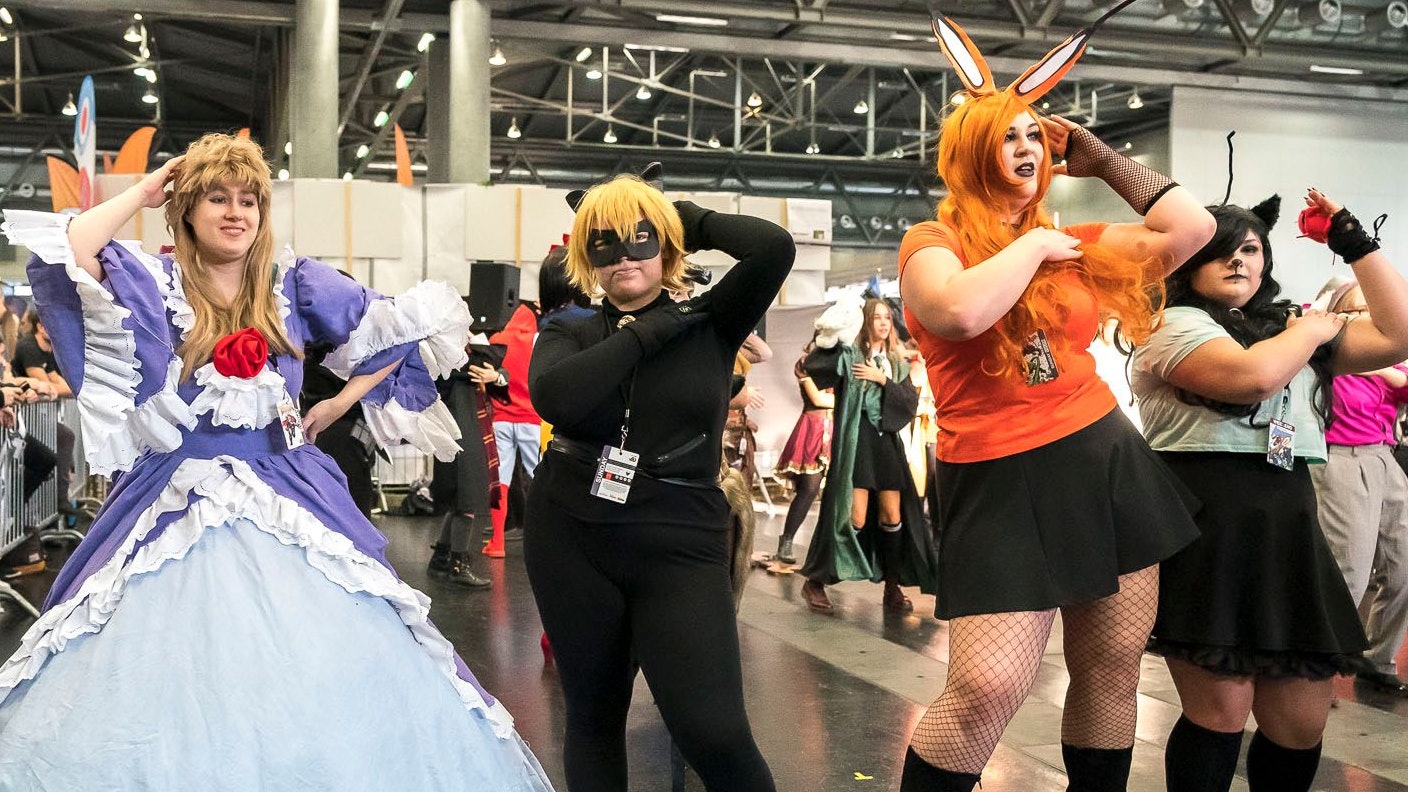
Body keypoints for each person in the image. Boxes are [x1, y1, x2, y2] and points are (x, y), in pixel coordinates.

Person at [0, 133, 553, 790]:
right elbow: (75, 250)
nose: (235, 213)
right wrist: (147, 192)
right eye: (217, 198)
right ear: (188, 208)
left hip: (287, 488)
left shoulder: (294, 282)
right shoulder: (154, 280)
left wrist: (339, 402)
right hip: (173, 492)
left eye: (249, 201)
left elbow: (409, 327)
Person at [894, 13, 1215, 790]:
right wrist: (1034, 244)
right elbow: (960, 313)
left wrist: (1101, 160)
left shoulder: (1077, 240)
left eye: (1036, 137)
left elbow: (1192, 227)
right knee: (984, 691)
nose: (1029, 149)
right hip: (998, 475)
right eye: (1009, 137)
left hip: (1101, 459)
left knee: (1110, 669)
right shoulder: (932, 244)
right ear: (972, 150)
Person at [526, 169, 793, 791]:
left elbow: (773, 246)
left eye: (640, 240)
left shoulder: (716, 320)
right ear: (583, 254)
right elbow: (555, 396)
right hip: (572, 534)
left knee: (715, 730)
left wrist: (676, 216)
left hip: (680, 543)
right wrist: (651, 330)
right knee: (593, 718)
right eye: (604, 241)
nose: (623, 256)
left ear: (667, 248)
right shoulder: (571, 327)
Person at [1132, 191, 1408, 792]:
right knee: (1218, 718)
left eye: (1252, 249)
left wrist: (1354, 242)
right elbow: (1251, 379)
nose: (1240, 262)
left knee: (1299, 727)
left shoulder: (1291, 327)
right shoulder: (1171, 323)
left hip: (1289, 530)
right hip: (1207, 531)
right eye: (1222, 251)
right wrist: (1313, 331)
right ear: (1186, 262)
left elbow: (1399, 334)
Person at [798, 298, 933, 613]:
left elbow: (907, 403)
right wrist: (825, 341)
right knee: (853, 516)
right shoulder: (851, 355)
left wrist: (881, 379)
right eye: (877, 317)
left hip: (886, 442)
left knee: (892, 516)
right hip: (857, 440)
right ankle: (817, 580)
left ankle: (892, 585)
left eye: (888, 317)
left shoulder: (896, 363)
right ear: (865, 322)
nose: (884, 323)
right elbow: (818, 366)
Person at [1307, 277, 1408, 697]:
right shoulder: (1325, 355)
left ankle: (1377, 659)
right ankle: (1310, 673)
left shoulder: (1392, 358)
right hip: (1340, 459)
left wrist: (1384, 365)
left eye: (1376, 312)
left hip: (1384, 458)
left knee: (1404, 565)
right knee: (1348, 570)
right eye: (1360, 310)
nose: (1371, 319)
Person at [428, 334, 508, 588]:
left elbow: (498, 365)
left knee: (462, 497)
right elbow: (491, 360)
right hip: (459, 424)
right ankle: (457, 565)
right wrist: (493, 372)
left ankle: (442, 557)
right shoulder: (448, 355)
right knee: (466, 495)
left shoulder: (466, 354)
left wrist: (494, 375)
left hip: (465, 422)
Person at [771, 330, 835, 565]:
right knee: (808, 488)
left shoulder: (842, 360)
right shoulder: (807, 362)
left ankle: (826, 554)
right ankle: (786, 541)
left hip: (836, 429)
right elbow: (818, 399)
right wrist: (851, 400)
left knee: (835, 493)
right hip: (813, 429)